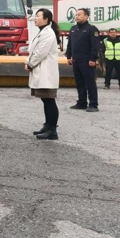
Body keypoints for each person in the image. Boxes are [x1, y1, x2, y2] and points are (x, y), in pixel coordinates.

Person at [26, 9, 62, 140]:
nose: (35, 18)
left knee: (49, 101)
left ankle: (52, 130)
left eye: (38, 16)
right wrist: (28, 62)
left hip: (46, 73)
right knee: (46, 100)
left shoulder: (48, 33)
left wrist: (30, 64)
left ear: (46, 19)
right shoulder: (42, 32)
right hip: (41, 71)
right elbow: (32, 51)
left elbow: (41, 52)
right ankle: (47, 126)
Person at [65, 8, 100, 112]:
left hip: (87, 61)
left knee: (90, 83)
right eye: (76, 15)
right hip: (76, 60)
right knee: (79, 83)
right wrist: (68, 56)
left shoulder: (91, 29)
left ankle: (93, 104)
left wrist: (93, 58)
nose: (77, 16)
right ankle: (82, 102)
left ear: (86, 16)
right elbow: (70, 44)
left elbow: (95, 46)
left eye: (79, 14)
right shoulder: (73, 29)